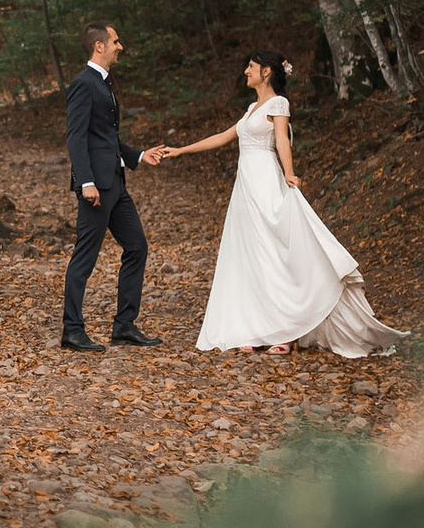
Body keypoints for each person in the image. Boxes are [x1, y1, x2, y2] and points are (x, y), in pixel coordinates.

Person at [155, 49, 405, 357]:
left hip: (266, 183)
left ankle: (287, 332)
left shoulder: (278, 103)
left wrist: (290, 173)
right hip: (245, 190)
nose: (245, 71)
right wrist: (181, 150)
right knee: (252, 258)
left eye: (251, 66)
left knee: (275, 255)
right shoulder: (250, 108)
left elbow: (282, 139)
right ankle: (256, 328)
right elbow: (223, 136)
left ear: (267, 72)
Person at [61, 22, 167, 352]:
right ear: (99, 46)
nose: (120, 46)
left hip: (116, 185)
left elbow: (107, 139)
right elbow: (76, 137)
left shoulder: (105, 83)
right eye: (115, 41)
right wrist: (86, 181)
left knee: (137, 246)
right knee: (85, 257)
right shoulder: (83, 84)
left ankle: (124, 326)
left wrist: (138, 156)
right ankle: (72, 330)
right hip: (97, 187)